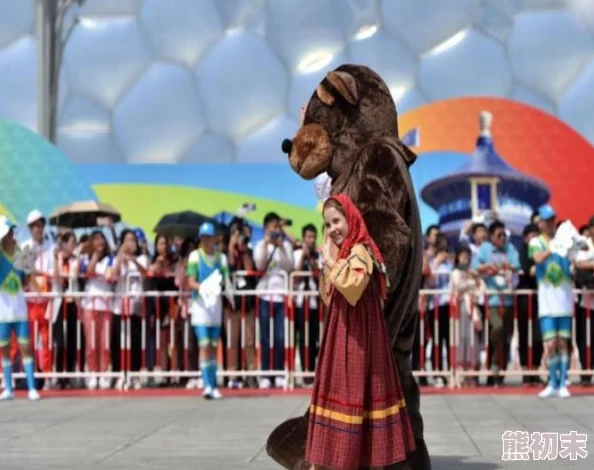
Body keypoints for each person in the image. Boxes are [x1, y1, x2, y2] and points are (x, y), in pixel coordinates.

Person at [306, 195, 415, 469]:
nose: (332, 229)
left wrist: (330, 263)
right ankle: (338, 457)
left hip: (360, 337)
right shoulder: (346, 253)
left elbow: (352, 287)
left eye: (337, 221)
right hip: (344, 331)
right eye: (327, 224)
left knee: (359, 392)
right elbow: (333, 297)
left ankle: (363, 458)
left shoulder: (362, 251)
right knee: (345, 392)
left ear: (351, 219)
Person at [530, 205, 574, 399]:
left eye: (552, 220)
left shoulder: (565, 241)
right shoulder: (536, 242)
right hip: (547, 301)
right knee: (550, 344)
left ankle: (563, 382)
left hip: (564, 299)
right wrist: (552, 247)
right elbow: (537, 258)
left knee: (563, 342)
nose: (550, 224)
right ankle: (552, 382)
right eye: (546, 221)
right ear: (540, 223)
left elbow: (576, 260)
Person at [473, 220, 520, 385]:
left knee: (507, 336)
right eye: (499, 235)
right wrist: (487, 267)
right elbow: (474, 268)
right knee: (497, 328)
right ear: (492, 236)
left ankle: (500, 374)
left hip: (508, 298)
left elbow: (517, 265)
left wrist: (508, 267)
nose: (502, 238)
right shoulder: (485, 249)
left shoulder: (511, 248)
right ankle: (493, 363)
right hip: (492, 300)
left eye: (504, 235)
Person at [186, 222, 230, 400]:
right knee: (204, 346)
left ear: (214, 238)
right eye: (203, 237)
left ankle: (213, 384)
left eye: (208, 237)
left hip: (215, 306)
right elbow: (190, 281)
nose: (206, 241)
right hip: (200, 306)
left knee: (213, 346)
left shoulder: (222, 258)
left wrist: (223, 287)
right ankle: (207, 386)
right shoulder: (195, 256)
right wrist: (203, 287)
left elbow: (226, 280)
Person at [0, 216, 40, 401]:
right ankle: (8, 388)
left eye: (11, 231)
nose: (11, 235)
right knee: (5, 348)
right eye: (8, 232)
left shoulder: (22, 252)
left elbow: (28, 278)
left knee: (25, 347)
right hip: (2, 311)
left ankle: (32, 387)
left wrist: (34, 283)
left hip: (20, 310)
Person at [253, 212, 294, 389]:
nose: (276, 230)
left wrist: (281, 247)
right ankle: (265, 374)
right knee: (265, 337)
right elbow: (259, 265)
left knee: (279, 336)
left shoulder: (285, 245)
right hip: (264, 296)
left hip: (280, 297)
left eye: (278, 227)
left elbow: (289, 266)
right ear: (266, 228)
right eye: (273, 227)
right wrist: (266, 243)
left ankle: (278, 372)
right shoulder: (260, 245)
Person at [450, 246, 484, 387]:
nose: (465, 259)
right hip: (460, 308)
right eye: (463, 256)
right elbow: (459, 286)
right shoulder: (456, 272)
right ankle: (461, 373)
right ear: (457, 257)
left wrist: (474, 280)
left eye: (467, 256)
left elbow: (481, 288)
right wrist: (472, 283)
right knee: (461, 337)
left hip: (473, 308)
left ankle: (472, 372)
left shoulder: (473, 272)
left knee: (473, 338)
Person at [293, 223, 321, 383]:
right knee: (303, 337)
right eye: (309, 237)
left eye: (314, 237)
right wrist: (303, 256)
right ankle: (305, 373)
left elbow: (320, 275)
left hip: (315, 301)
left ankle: (312, 371)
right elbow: (295, 276)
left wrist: (312, 260)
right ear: (303, 238)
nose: (312, 240)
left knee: (314, 337)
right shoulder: (297, 254)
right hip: (300, 301)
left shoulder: (318, 255)